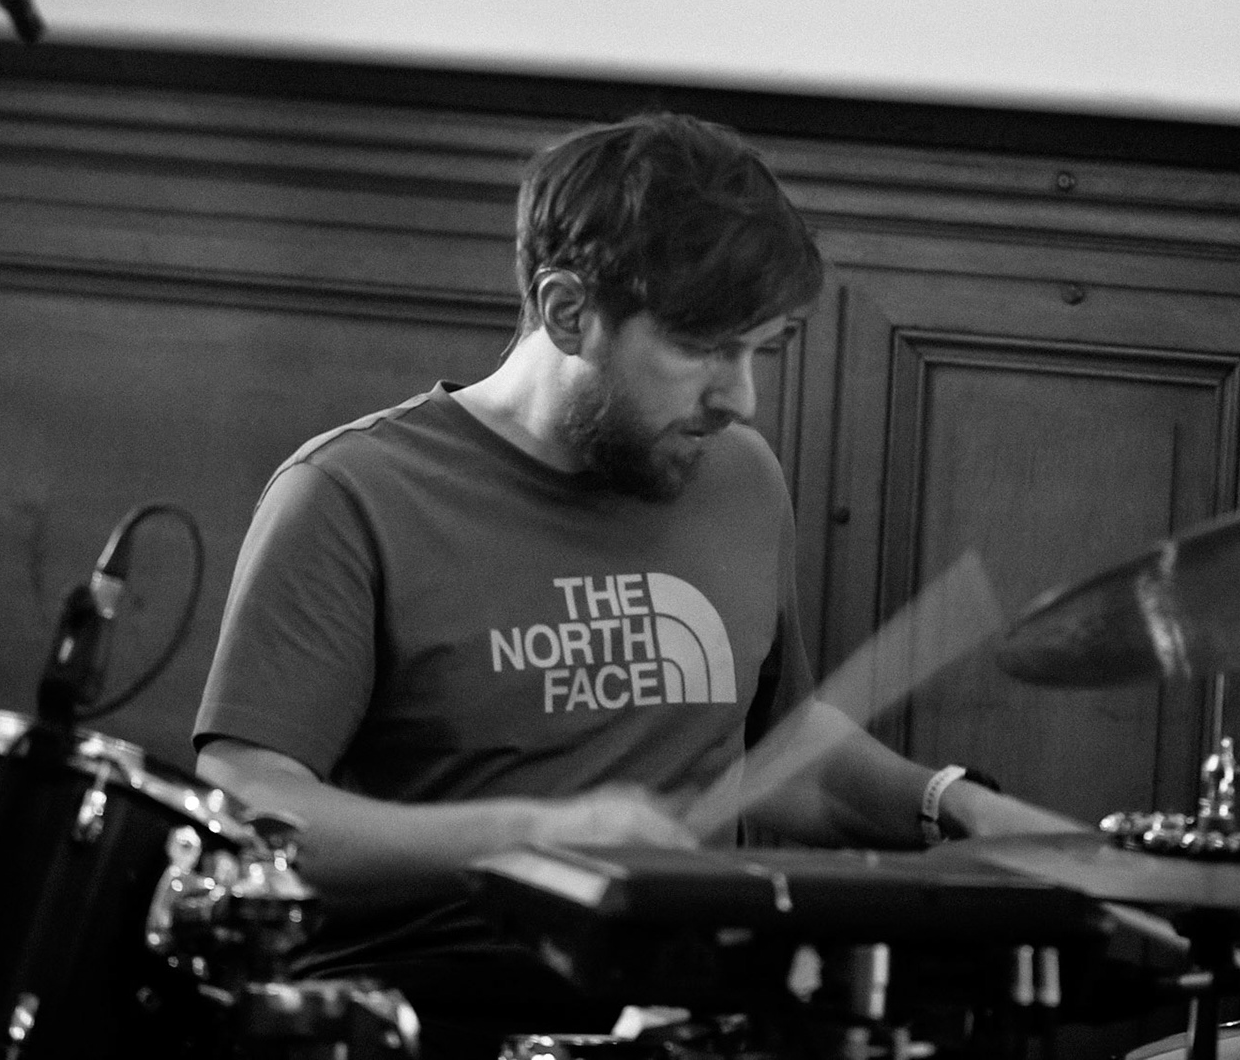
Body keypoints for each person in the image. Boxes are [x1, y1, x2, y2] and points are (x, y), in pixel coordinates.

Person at [193, 112, 1076, 1055]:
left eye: (758, 348)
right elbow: (245, 807)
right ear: (568, 311)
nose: (740, 398)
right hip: (432, 1010)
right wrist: (534, 834)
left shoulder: (740, 477)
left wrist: (955, 808)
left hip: (690, 1010)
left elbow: (776, 754)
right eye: (702, 348)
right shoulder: (349, 494)